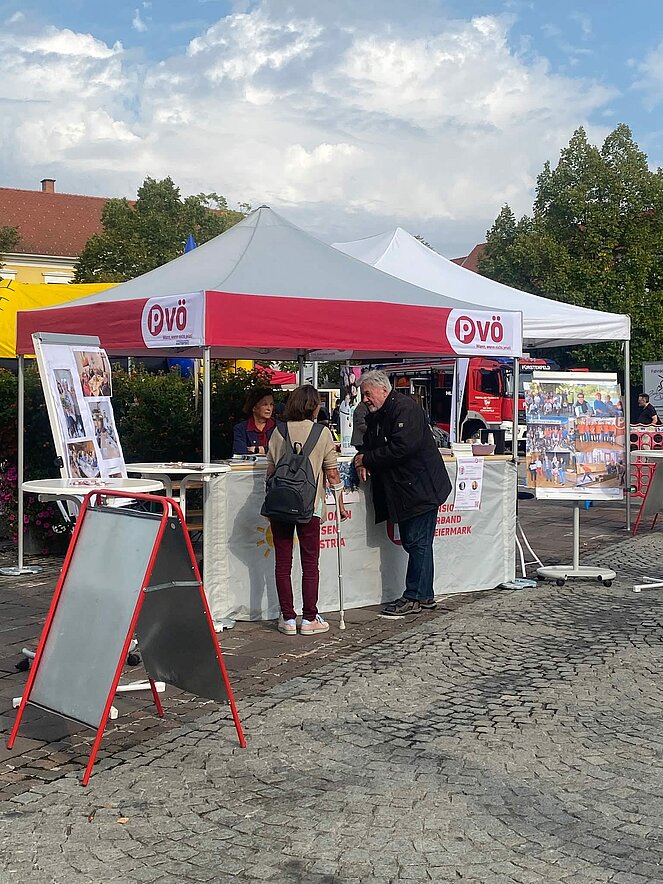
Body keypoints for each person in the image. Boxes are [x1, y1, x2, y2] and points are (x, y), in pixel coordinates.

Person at [353, 370, 451, 618]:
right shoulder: (382, 412)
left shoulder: (405, 409)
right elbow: (371, 440)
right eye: (363, 394)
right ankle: (424, 596)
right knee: (417, 543)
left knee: (417, 542)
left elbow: (401, 448)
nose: (364, 399)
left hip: (421, 487)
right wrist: (362, 457)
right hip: (410, 488)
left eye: (367, 393)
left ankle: (414, 596)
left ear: (383, 389)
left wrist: (367, 458)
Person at [266, 385, 348, 636]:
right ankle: (310, 618)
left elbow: (270, 473)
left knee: (283, 563)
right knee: (310, 563)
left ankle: (288, 618)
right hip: (310, 506)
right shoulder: (322, 433)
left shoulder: (278, 431)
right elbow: (332, 474)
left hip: (280, 504)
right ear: (314, 406)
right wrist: (341, 504)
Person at [233, 388, 278, 455]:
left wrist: (257, 449)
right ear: (254, 408)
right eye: (265, 404)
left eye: (271, 404)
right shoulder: (240, 429)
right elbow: (240, 451)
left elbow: (282, 450)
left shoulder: (278, 427)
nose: (269, 408)